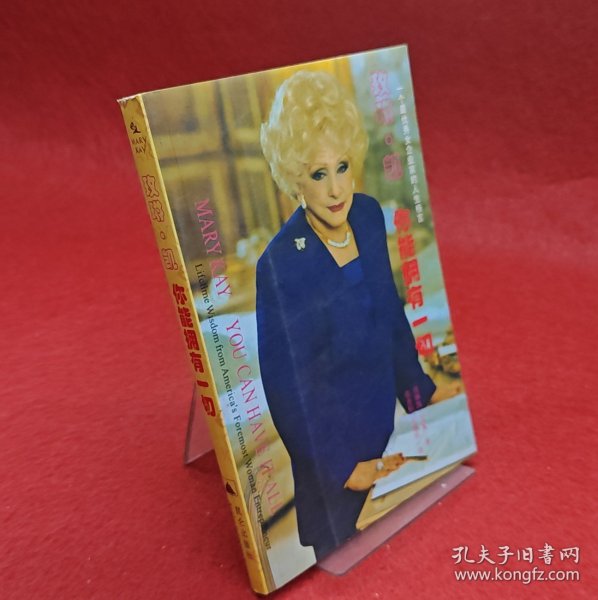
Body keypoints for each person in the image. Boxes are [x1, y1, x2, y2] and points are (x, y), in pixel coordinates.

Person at [256, 71, 438, 560]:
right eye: (319, 174)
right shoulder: (279, 264)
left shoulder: (368, 215)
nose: (337, 189)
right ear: (295, 177)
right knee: (347, 561)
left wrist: (421, 396)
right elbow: (287, 389)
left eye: (342, 167)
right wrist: (342, 467)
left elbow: (390, 314)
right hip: (332, 456)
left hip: (391, 432)